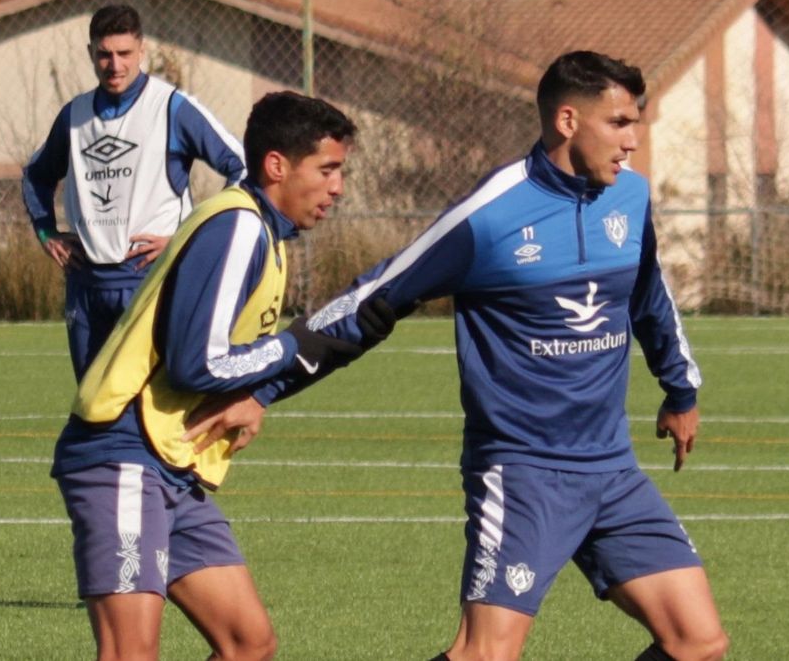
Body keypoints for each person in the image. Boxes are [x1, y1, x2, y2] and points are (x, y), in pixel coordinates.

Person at [246, 51, 729, 660]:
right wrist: (261, 387)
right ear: (569, 121)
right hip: (523, 471)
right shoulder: (492, 214)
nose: (633, 141)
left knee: (699, 642)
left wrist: (679, 390)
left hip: (611, 467)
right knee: (485, 654)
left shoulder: (629, 200)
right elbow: (374, 299)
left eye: (636, 123)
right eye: (620, 123)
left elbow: (648, 298)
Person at [52, 90, 393, 661]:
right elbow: (199, 362)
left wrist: (255, 395)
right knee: (130, 652)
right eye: (327, 169)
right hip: (124, 453)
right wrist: (290, 347)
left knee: (247, 642)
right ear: (277, 165)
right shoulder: (238, 225)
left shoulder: (267, 234)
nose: (338, 187)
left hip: (175, 462)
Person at [22, 3, 247, 381]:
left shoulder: (172, 108)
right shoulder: (74, 116)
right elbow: (35, 175)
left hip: (151, 276)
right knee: (92, 406)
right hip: (86, 283)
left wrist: (188, 239)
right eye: (104, 54)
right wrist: (46, 232)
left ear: (141, 51)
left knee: (154, 402)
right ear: (90, 53)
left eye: (124, 53)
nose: (115, 65)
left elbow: (241, 167)